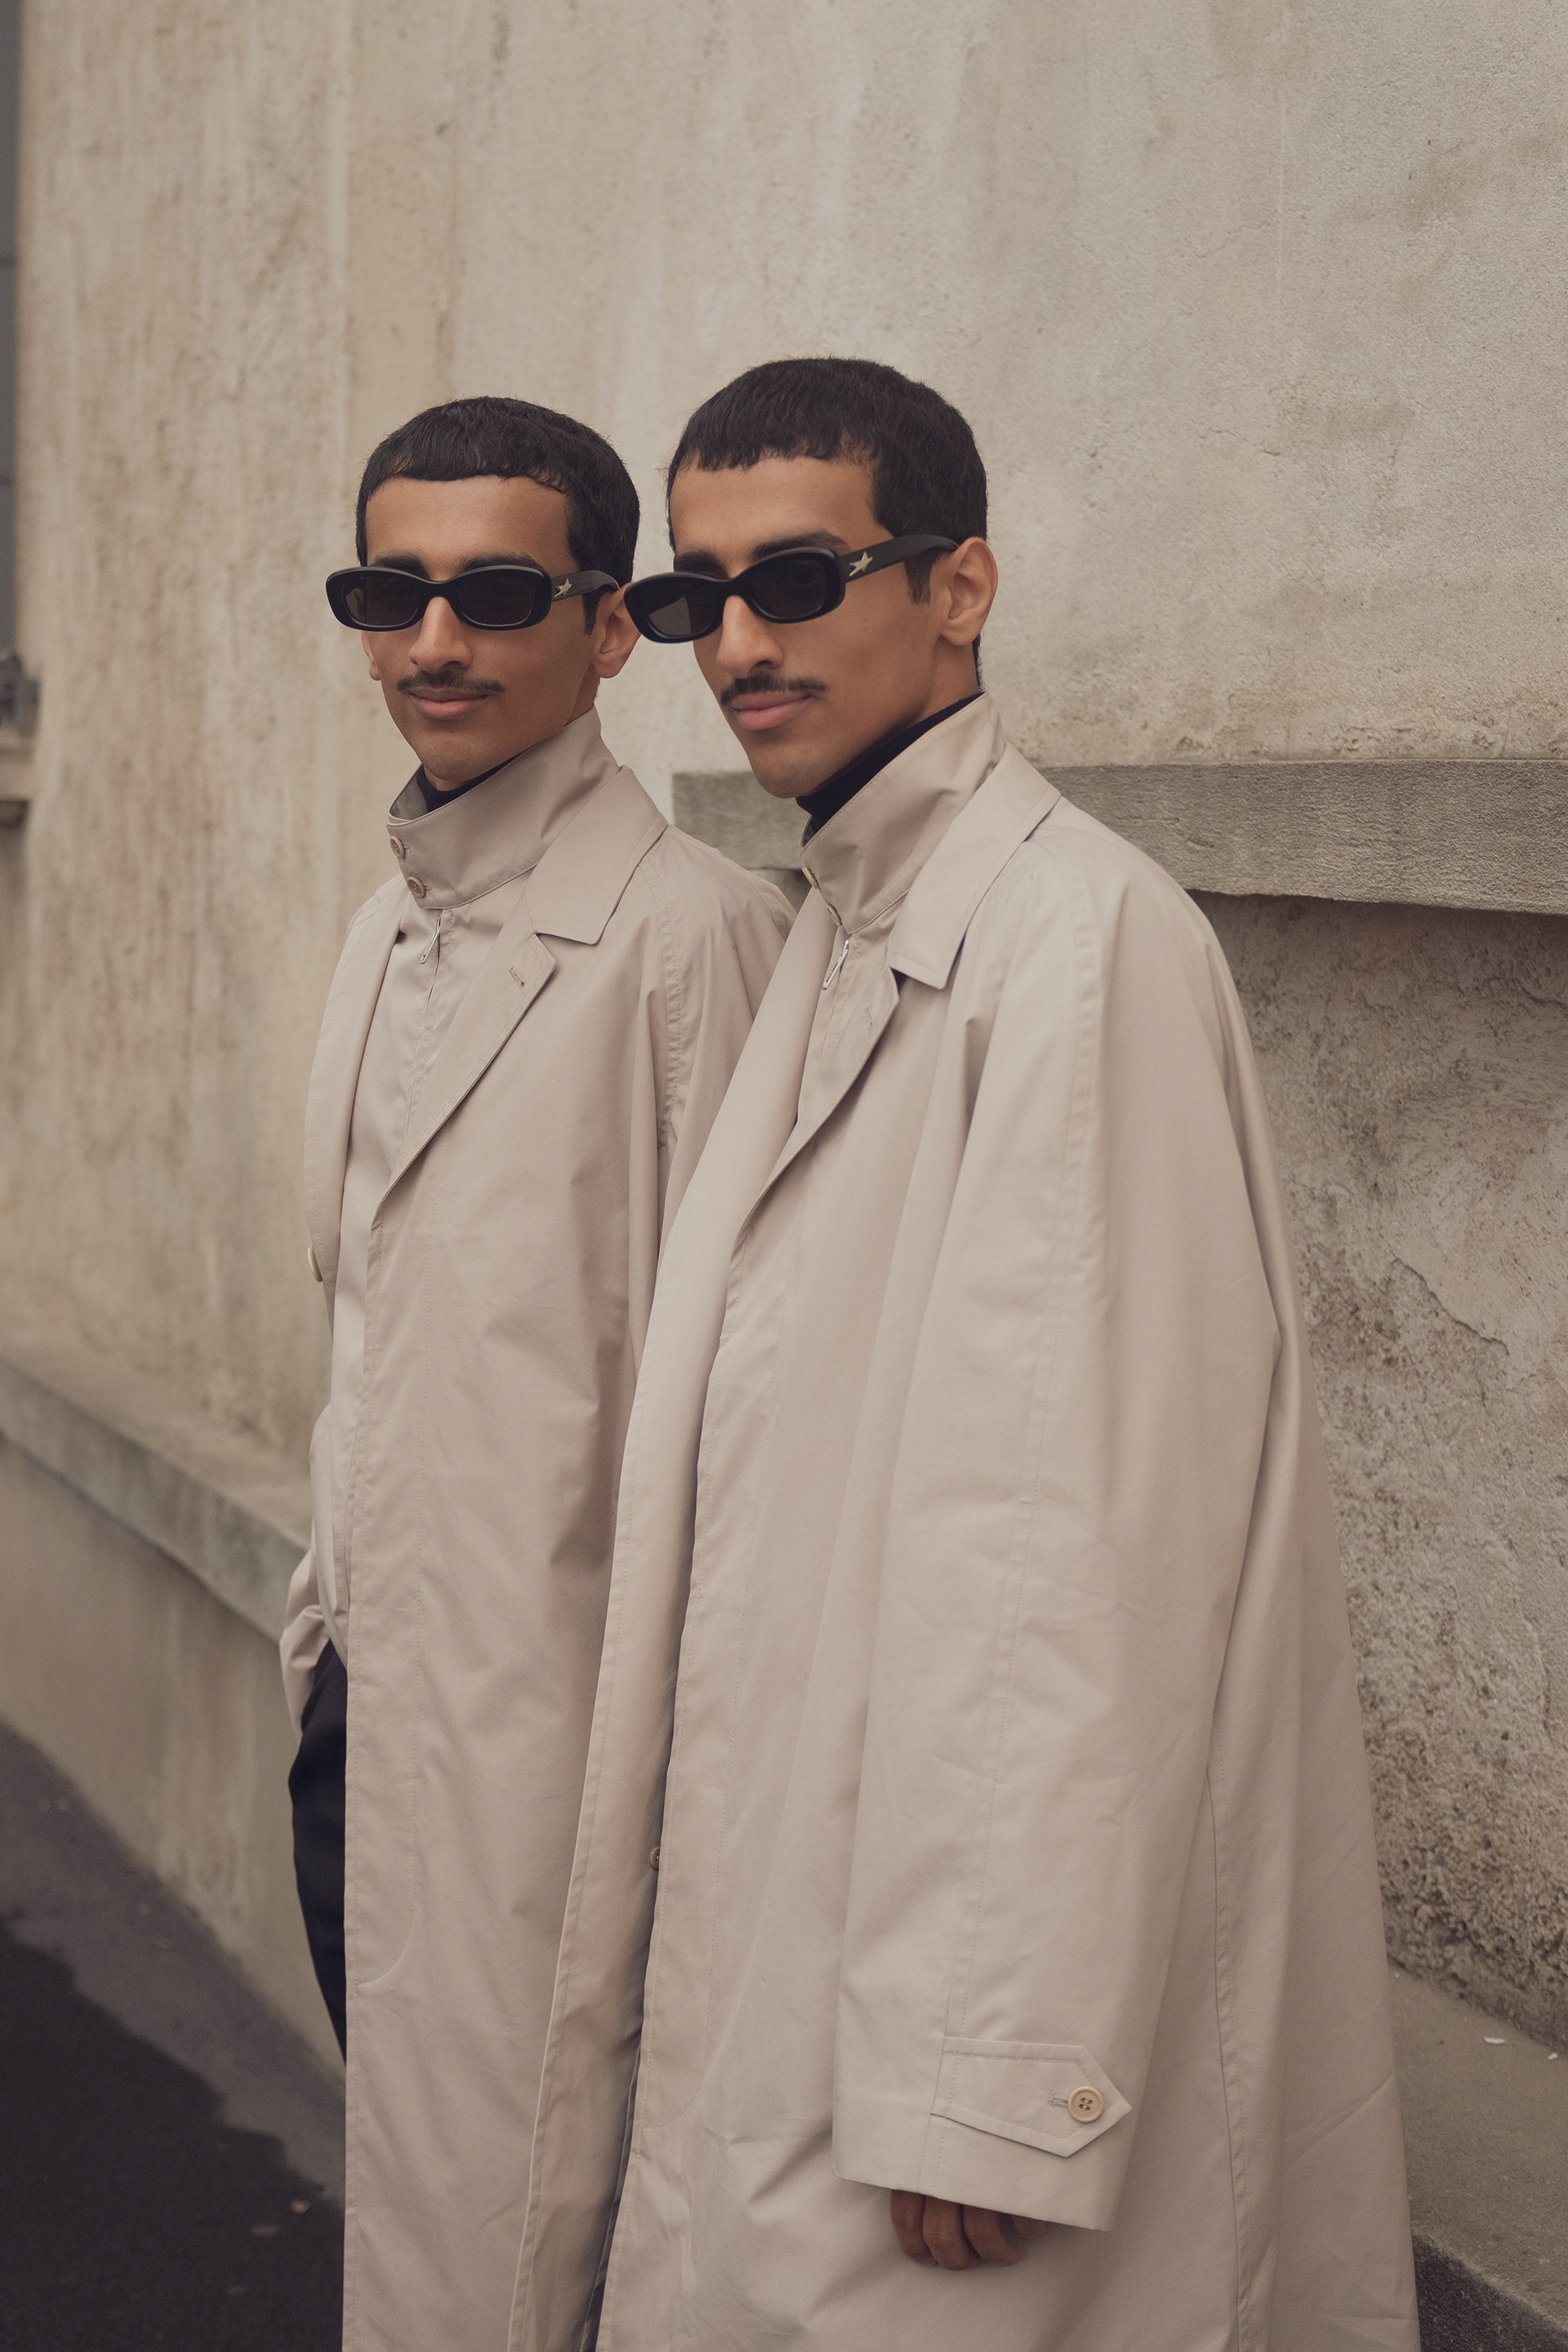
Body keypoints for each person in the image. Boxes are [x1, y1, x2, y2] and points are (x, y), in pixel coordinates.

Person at [509, 359, 1419, 2351]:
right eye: (695, 595)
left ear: (962, 587)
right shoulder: (851, 914)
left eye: (798, 578)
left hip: (951, 2023)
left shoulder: (1071, 944)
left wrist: (993, 2061)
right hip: (812, 1920)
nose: (737, 643)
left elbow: (1068, 1539)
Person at [278, 394, 792, 2352]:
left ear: (608, 629)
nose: (434, 642)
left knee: (537, 2269)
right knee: (432, 2233)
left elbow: (754, 1423)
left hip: (570, 1772)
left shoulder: (695, 944)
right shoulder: (382, 924)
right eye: (388, 594)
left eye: (496, 595)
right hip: (362, 1713)